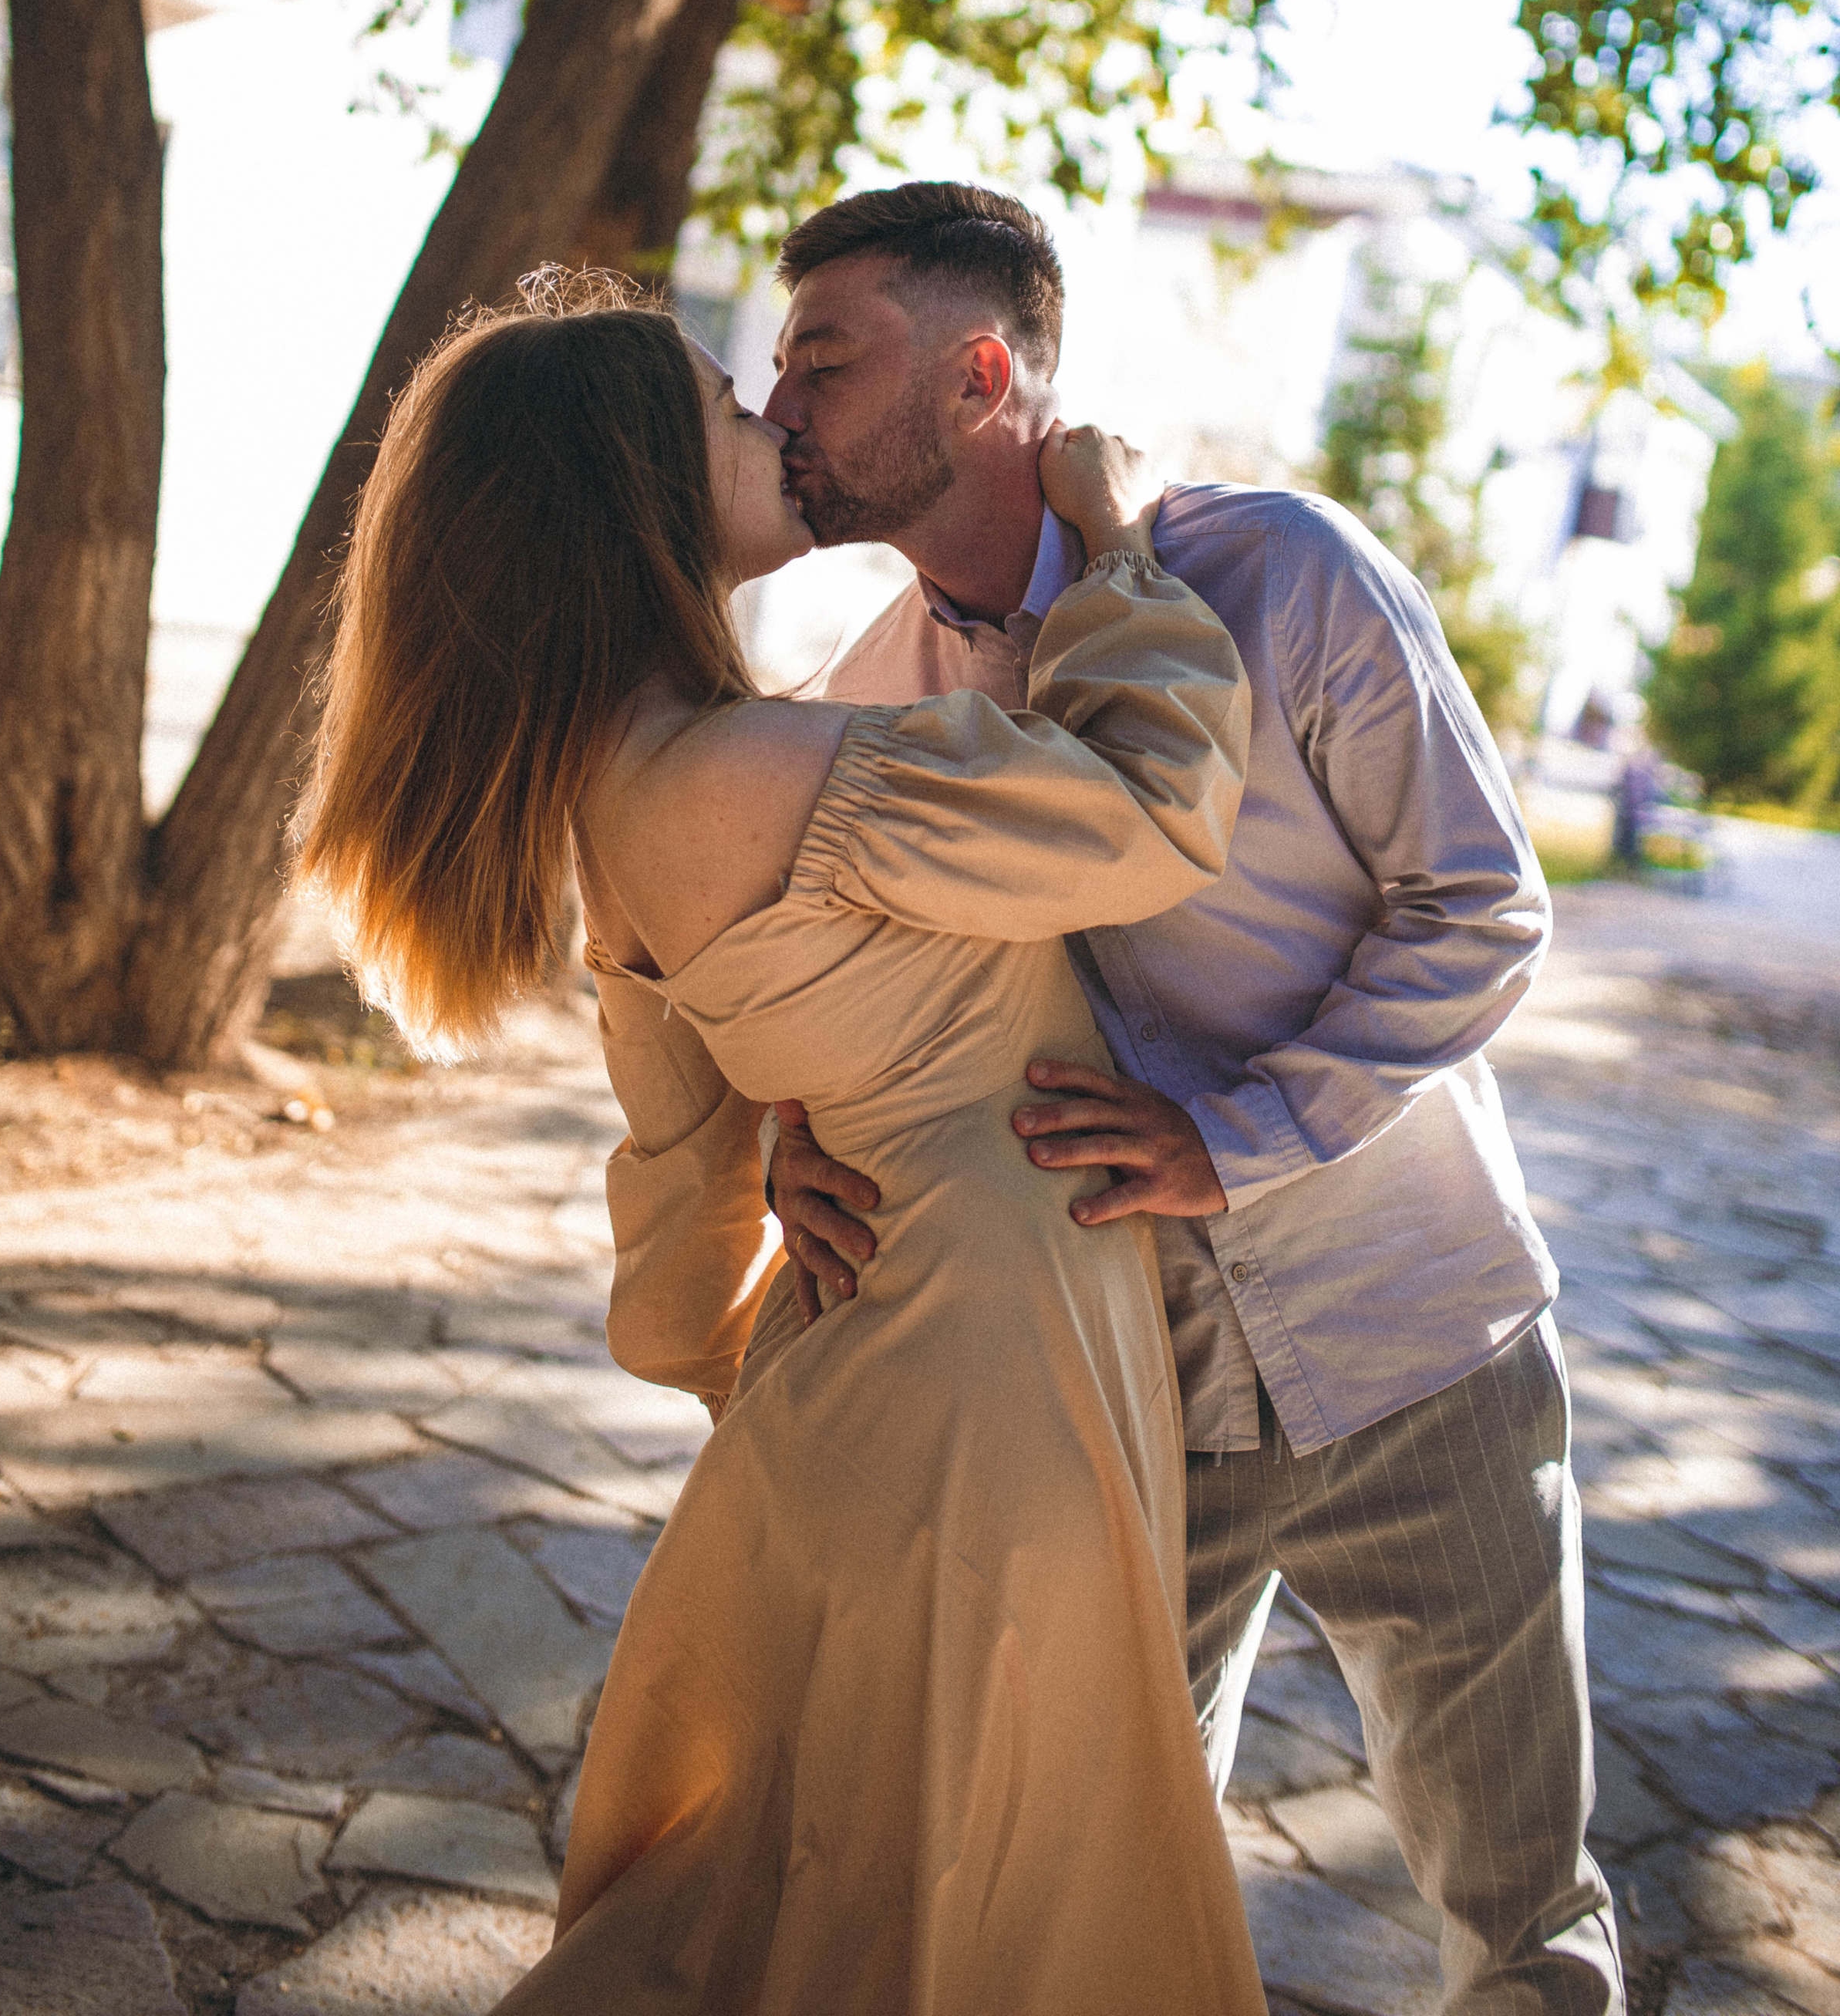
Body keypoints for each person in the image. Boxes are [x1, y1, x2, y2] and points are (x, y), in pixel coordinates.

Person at [621, 184, 1624, 2015]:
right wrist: (793, 1135)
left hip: (1425, 1346)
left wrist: (1234, 1141)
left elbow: (1481, 910)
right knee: (1066, 1891)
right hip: (1136, 1394)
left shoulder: (1280, 574)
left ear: (983, 373)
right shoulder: (871, 693)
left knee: (1524, 1918)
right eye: (774, 365)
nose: (782, 405)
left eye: (824, 358)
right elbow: (848, 983)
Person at [295, 274, 1266, 2016]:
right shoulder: (745, 766)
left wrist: (798, 1160)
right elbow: (1152, 806)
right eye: (729, 411)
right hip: (983, 1380)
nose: (777, 423)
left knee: (850, 1903)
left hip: (894, 1369)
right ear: (638, 491)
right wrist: (1113, 536)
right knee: (965, 1918)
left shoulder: (625, 780)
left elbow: (679, 1213)